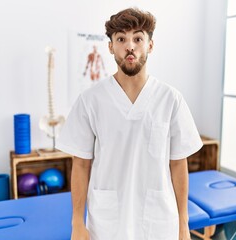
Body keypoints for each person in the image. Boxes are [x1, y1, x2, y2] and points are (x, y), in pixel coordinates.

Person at [56, 7, 203, 240]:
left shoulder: (170, 99)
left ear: (150, 45)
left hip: (159, 221)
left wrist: (183, 223)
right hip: (107, 223)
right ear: (111, 46)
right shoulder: (90, 101)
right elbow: (81, 165)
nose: (130, 46)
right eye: (121, 39)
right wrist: (77, 222)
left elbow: (178, 163)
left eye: (138, 38)